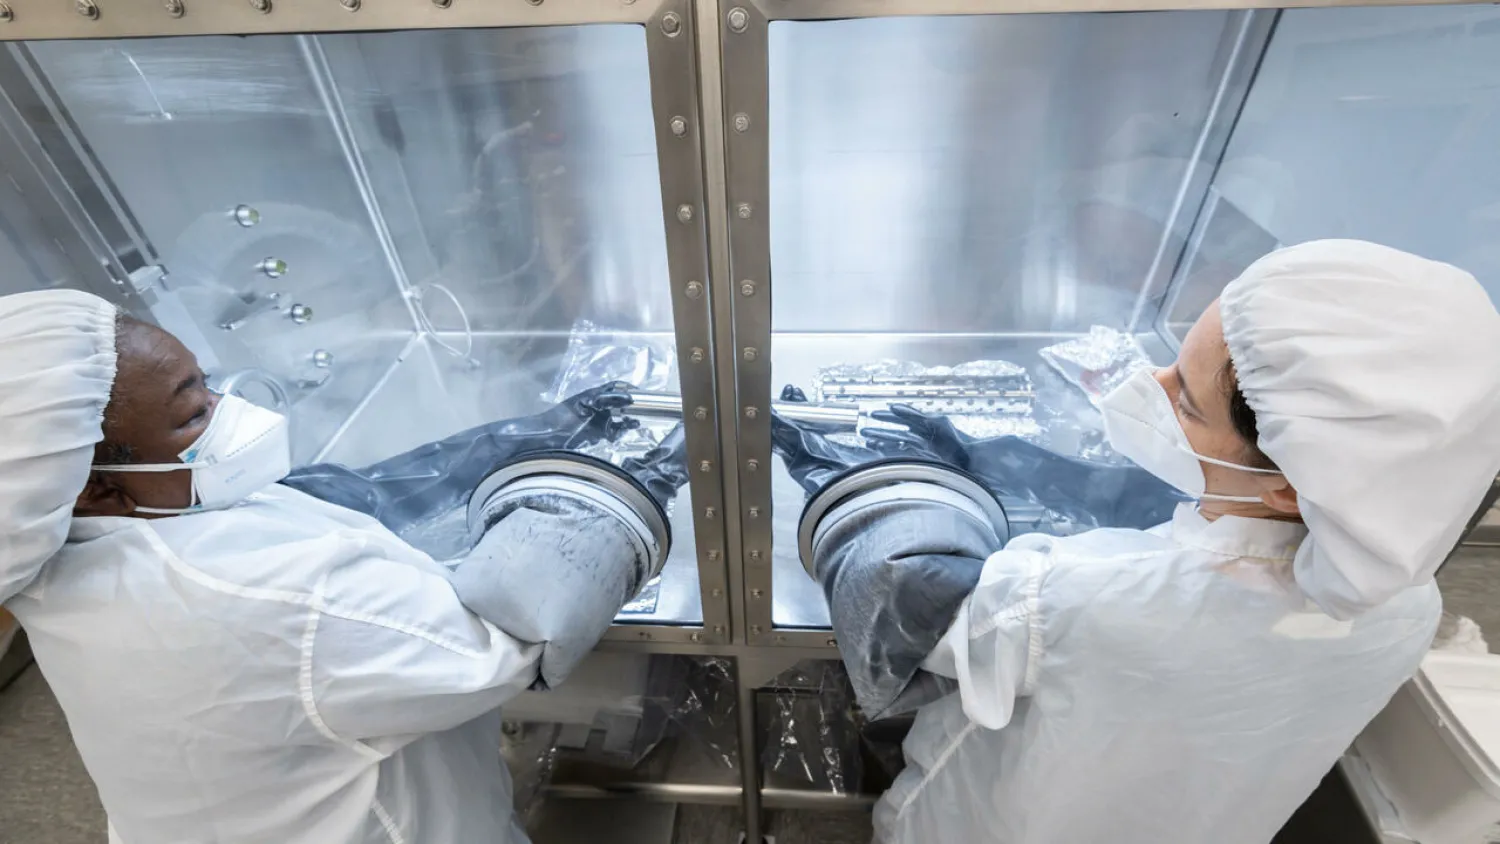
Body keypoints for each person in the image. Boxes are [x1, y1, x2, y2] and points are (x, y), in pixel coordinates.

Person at [775, 239, 1500, 844]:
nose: (1151, 384)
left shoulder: (1085, 603)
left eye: (1184, 395)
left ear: (1289, 481)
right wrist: (992, 454)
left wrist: (874, 482)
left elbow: (902, 597)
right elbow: (1216, 512)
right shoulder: (1409, 605)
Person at [0, 288, 687, 844]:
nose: (229, 411)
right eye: (192, 413)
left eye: (207, 385)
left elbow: (343, 496)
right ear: (91, 483)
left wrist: (530, 431)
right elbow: (511, 638)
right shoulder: (262, 595)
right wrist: (624, 482)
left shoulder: (62, 534)